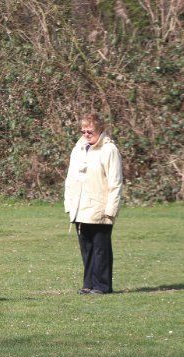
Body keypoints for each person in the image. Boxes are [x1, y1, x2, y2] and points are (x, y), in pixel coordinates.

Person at [64, 112, 123, 294]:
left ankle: (102, 286)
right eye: (83, 131)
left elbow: (115, 182)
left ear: (100, 129)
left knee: (101, 249)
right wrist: (69, 204)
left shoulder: (109, 150)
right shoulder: (78, 149)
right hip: (80, 208)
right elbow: (70, 179)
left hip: (100, 208)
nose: (86, 135)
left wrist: (111, 210)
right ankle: (88, 284)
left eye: (90, 131)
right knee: (86, 248)